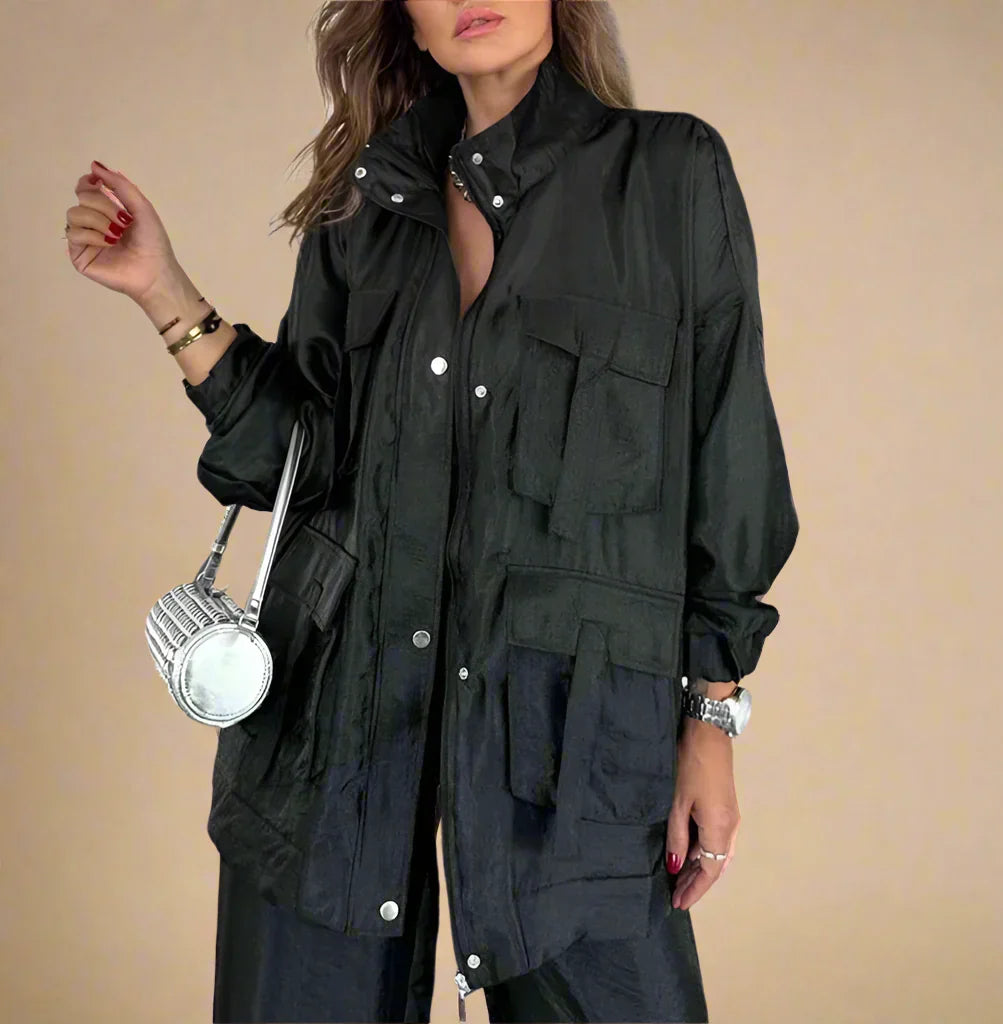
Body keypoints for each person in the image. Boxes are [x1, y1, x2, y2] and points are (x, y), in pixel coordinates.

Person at [65, 1, 799, 1020]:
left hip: (577, 741)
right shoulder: (364, 206)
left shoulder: (667, 174)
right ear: (407, 19)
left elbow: (732, 453)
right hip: (337, 730)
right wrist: (165, 292)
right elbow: (304, 468)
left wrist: (711, 715)